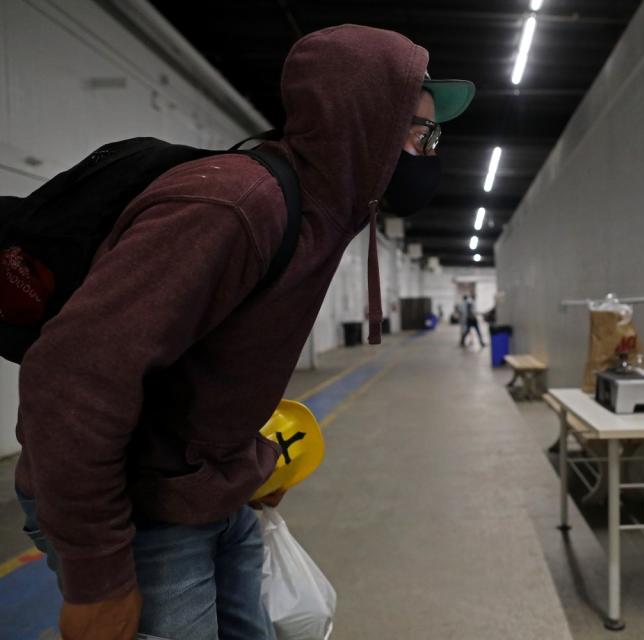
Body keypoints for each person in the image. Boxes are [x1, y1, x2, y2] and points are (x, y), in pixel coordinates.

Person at [13, 25, 474, 640]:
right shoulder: (236, 207)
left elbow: (215, 363)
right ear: (365, 124)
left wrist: (249, 465)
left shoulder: (326, 216)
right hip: (140, 515)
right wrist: (99, 575)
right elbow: (72, 377)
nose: (430, 151)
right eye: (421, 133)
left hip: (209, 496)